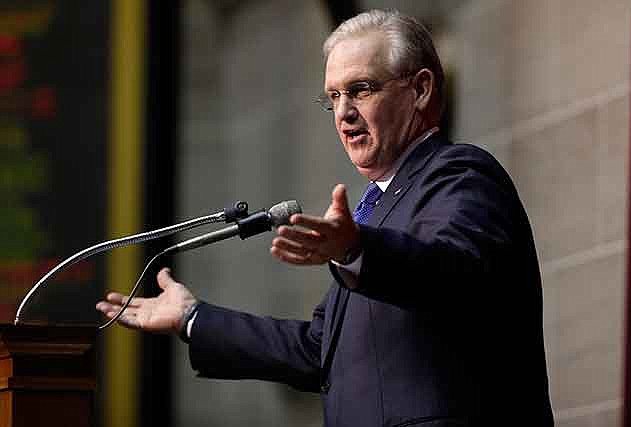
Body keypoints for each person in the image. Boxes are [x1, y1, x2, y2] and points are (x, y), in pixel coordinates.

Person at [97, 9, 554, 427]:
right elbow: (318, 350)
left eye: (360, 90)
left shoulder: (459, 174)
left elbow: (452, 272)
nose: (342, 114)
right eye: (333, 96)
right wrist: (193, 318)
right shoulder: (377, 207)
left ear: (420, 89)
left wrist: (357, 250)